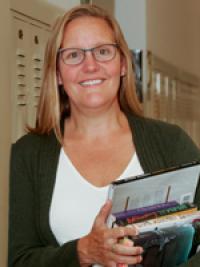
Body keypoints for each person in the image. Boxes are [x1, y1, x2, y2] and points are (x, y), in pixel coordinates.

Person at [8, 4, 200, 267]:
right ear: (57, 74)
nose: (90, 65)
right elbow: (18, 259)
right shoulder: (27, 155)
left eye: (103, 51)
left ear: (123, 64)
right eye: (74, 55)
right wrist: (82, 252)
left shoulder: (171, 143)